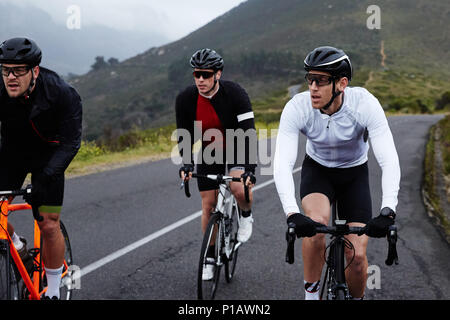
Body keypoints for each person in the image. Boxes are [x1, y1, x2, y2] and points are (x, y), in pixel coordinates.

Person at [273, 46, 400, 300]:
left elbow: (389, 159)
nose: (312, 87)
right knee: (316, 227)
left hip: (354, 174)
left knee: (357, 256)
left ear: (342, 83)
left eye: (320, 81)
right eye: (309, 79)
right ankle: (310, 296)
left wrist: (388, 210)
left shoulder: (365, 105)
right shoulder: (298, 107)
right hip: (318, 170)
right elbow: (282, 162)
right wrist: (292, 212)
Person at [0, 37, 82, 299]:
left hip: (51, 157)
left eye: (19, 70)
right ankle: (16, 245)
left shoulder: (62, 93)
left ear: (35, 70)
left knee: (48, 224)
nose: (11, 76)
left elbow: (71, 143)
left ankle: (54, 291)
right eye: (5, 69)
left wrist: (45, 179)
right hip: (13, 152)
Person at [175, 48, 257, 280]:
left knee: (238, 187)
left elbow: (248, 132)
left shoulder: (236, 94)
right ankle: (209, 258)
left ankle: (246, 213)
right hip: (210, 149)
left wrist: (249, 169)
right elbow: (185, 135)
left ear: (217, 74)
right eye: (196, 74)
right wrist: (186, 164)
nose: (200, 79)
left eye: (206, 74)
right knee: (209, 205)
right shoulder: (186, 99)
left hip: (238, 144)